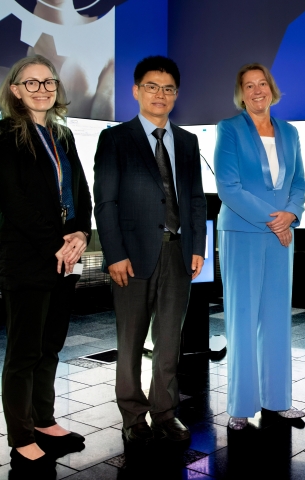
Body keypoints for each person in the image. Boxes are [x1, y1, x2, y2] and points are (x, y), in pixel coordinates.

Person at [94, 56, 207, 445]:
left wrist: (197, 246)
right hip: (132, 255)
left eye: (169, 88)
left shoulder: (188, 142)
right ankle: (132, 414)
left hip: (178, 253)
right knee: (130, 340)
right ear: (136, 90)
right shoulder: (115, 140)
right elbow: (105, 203)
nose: (161, 95)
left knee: (170, 341)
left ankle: (164, 412)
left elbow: (195, 198)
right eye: (152, 86)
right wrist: (114, 254)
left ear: (177, 94)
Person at [0, 54, 92, 472]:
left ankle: (44, 420)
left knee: (51, 347)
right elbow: (14, 203)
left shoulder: (63, 136)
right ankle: (21, 436)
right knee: (24, 353)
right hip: (28, 259)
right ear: (15, 90)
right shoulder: (4, 134)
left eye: (48, 82)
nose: (42, 89)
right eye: (31, 83)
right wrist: (60, 243)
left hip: (63, 259)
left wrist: (81, 232)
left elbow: (81, 192)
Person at [214, 63, 305, 430]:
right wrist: (276, 220)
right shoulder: (230, 129)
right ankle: (240, 406)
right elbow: (229, 187)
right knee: (242, 318)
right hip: (243, 233)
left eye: (262, 84)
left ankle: (278, 400)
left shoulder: (290, 132)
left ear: (272, 89)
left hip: (282, 234)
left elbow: (300, 181)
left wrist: (292, 214)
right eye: (249, 86)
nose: (257, 91)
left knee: (276, 318)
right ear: (241, 93)